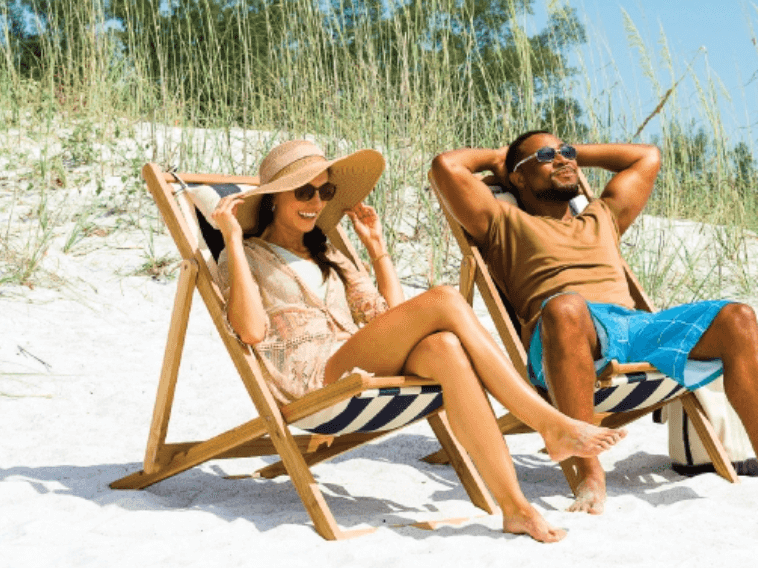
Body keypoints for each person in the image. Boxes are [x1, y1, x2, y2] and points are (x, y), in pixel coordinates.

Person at [211, 139, 626, 545]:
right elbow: (249, 331)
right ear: (273, 199)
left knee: (444, 346)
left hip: (353, 359)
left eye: (325, 191)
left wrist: (377, 252)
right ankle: (548, 422)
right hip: (317, 379)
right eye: (304, 191)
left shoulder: (330, 257)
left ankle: (515, 508)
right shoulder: (247, 255)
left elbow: (385, 318)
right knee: (444, 298)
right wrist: (230, 238)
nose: (316, 202)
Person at [430, 134, 758, 517]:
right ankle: (589, 472)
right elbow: (446, 166)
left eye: (565, 151)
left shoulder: (602, 214)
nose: (562, 159)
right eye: (545, 156)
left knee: (737, 317)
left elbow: (647, 157)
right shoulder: (500, 221)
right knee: (566, 306)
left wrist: (573, 155)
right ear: (517, 176)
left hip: (635, 329)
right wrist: (500, 157)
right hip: (564, 333)